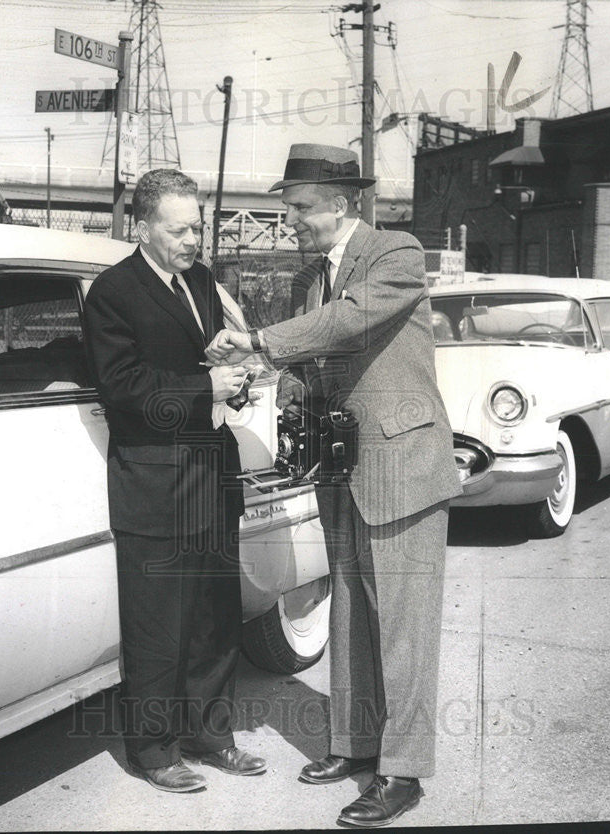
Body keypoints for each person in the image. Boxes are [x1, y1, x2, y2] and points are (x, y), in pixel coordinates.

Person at [205, 144, 462, 827]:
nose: (289, 219)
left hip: (403, 462)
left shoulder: (395, 253)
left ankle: (403, 773)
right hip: (346, 464)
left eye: (299, 207)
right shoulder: (316, 275)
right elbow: (318, 358)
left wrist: (261, 341)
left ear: (341, 205)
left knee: (403, 627)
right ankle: (354, 745)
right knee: (351, 614)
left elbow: (349, 323)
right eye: (288, 207)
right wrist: (272, 385)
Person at [84, 168, 265, 793]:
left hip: (211, 473)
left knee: (216, 614)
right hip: (155, 483)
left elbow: (207, 362)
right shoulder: (113, 291)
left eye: (199, 227)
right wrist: (201, 387)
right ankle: (154, 750)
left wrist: (234, 376)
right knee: (157, 621)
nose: (193, 239)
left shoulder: (204, 282)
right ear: (143, 226)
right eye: (179, 228)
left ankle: (211, 735)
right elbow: (122, 388)